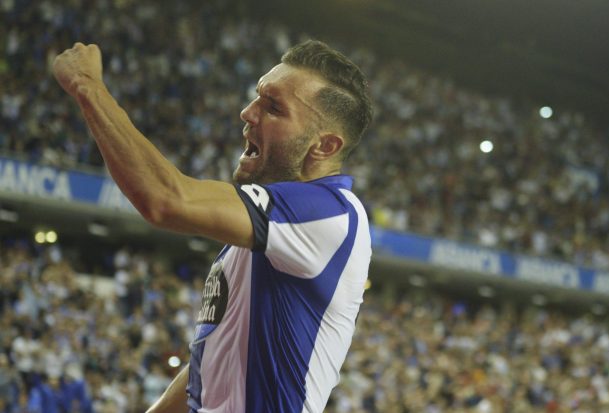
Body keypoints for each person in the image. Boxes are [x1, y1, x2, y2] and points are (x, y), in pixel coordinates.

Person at [52, 39, 373, 413]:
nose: (247, 113)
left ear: (325, 147)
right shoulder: (263, 233)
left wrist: (87, 85)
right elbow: (215, 359)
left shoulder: (330, 212)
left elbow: (166, 199)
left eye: (273, 108)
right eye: (257, 97)